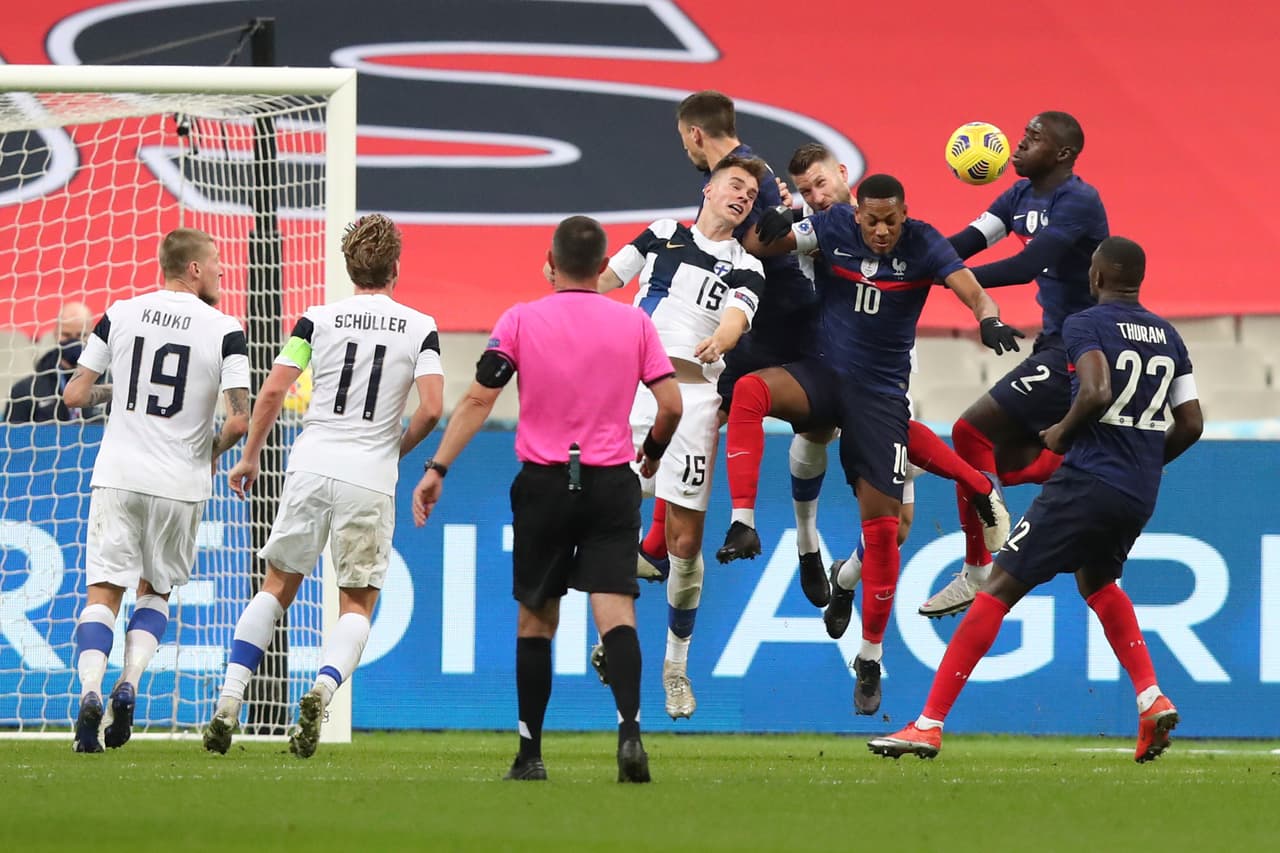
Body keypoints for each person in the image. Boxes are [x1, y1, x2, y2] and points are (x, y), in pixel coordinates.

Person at [869, 237, 1202, 762]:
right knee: (1099, 583)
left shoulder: (1085, 324)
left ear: (1097, 277)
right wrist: (1142, 462)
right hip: (1139, 490)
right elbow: (1192, 423)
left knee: (997, 588)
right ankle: (1149, 697)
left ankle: (928, 725)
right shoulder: (1170, 336)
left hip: (1087, 478)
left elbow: (1092, 393)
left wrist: (1062, 434)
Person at [739, 174, 1023, 715]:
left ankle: (868, 655)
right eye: (872, 221)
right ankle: (757, 523)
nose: (882, 231)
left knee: (888, 531)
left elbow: (966, 283)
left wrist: (987, 318)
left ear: (904, 212)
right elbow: (764, 246)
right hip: (822, 376)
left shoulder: (923, 240)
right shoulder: (833, 225)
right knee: (752, 389)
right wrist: (766, 228)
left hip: (879, 394)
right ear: (857, 213)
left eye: (892, 220)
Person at [412, 216, 680, 783]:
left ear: (550, 264)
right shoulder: (634, 324)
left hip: (545, 483)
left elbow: (480, 399)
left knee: (536, 620)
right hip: (611, 483)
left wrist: (437, 467)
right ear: (605, 267)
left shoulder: (519, 320)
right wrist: (652, 451)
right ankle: (630, 734)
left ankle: (530, 754)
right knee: (617, 612)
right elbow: (672, 404)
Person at [202, 214, 444, 758]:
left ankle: (227, 700)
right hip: (370, 476)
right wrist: (395, 449)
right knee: (356, 603)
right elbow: (432, 409)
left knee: (277, 586)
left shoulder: (317, 319)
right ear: (396, 268)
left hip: (310, 464)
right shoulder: (419, 325)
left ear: (348, 267)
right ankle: (322, 690)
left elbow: (270, 393)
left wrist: (248, 457)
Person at [589, 155, 768, 720]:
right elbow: (605, 278)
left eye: (751, 193)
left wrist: (724, 338)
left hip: (693, 400)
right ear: (709, 188)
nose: (742, 196)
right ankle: (617, 640)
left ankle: (675, 667)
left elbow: (738, 318)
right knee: (609, 514)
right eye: (734, 185)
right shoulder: (663, 233)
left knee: (684, 546)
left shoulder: (747, 267)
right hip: (633, 387)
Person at [63, 229, 251, 753]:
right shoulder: (225, 330)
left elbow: (75, 394)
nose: (220, 270)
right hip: (179, 484)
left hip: (118, 475)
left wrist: (118, 390)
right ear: (192, 268)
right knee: (155, 592)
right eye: (215, 262)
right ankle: (131, 683)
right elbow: (239, 420)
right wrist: (209, 456)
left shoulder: (120, 312)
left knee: (103, 594)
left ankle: (92, 690)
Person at [923, 111, 1110, 619]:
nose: (1017, 145)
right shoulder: (1017, 197)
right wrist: (913, 255)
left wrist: (950, 281)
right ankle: (1068, 470)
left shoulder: (1078, 200)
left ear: (1063, 154)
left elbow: (1031, 264)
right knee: (981, 467)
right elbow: (965, 241)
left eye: (1032, 138)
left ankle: (982, 564)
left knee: (967, 434)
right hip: (1056, 341)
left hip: (1085, 348)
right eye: (1022, 135)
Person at [637, 90, 819, 594]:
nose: (686, 151)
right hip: (762, 314)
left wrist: (789, 213)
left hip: (778, 318)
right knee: (701, 414)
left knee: (707, 407)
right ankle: (654, 544)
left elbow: (763, 244)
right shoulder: (746, 175)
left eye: (684, 140)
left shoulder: (746, 180)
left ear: (696, 134)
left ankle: (788, 540)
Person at [5, 301, 101, 423]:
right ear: (55, 334)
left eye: (81, 335)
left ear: (93, 336)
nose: (73, 341)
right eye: (66, 335)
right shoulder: (25, 391)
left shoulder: (111, 385)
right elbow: (14, 438)